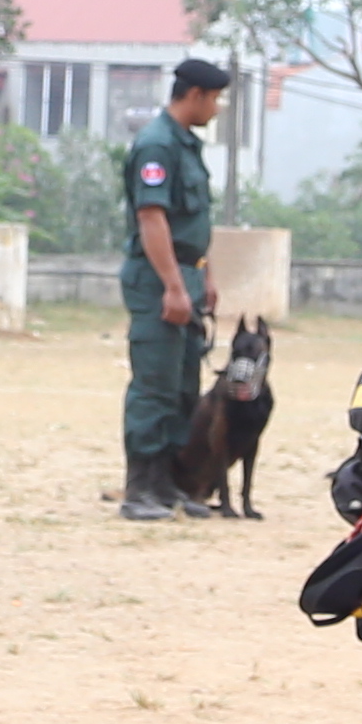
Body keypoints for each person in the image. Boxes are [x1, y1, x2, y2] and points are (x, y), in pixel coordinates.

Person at [115, 56, 232, 518]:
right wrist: (172, 287)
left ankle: (170, 484)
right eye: (215, 98)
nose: (217, 108)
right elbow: (152, 218)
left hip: (188, 272)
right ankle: (140, 488)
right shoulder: (156, 146)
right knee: (155, 383)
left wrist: (206, 277)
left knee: (185, 382)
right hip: (158, 277)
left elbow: (193, 225)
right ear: (196, 96)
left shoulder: (185, 146)